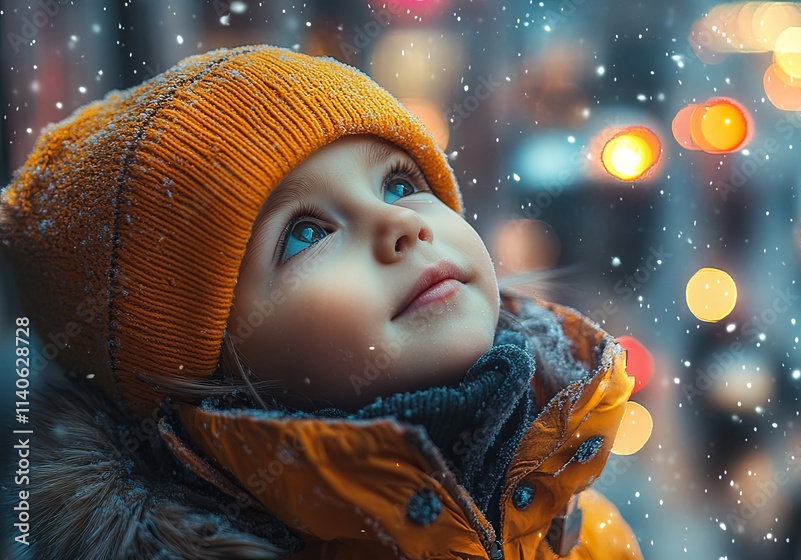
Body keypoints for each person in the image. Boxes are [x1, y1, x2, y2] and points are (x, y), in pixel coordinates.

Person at [0, 45, 642, 559]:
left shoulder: (578, 525)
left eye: (399, 183)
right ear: (211, 368)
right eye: (307, 233)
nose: (403, 226)